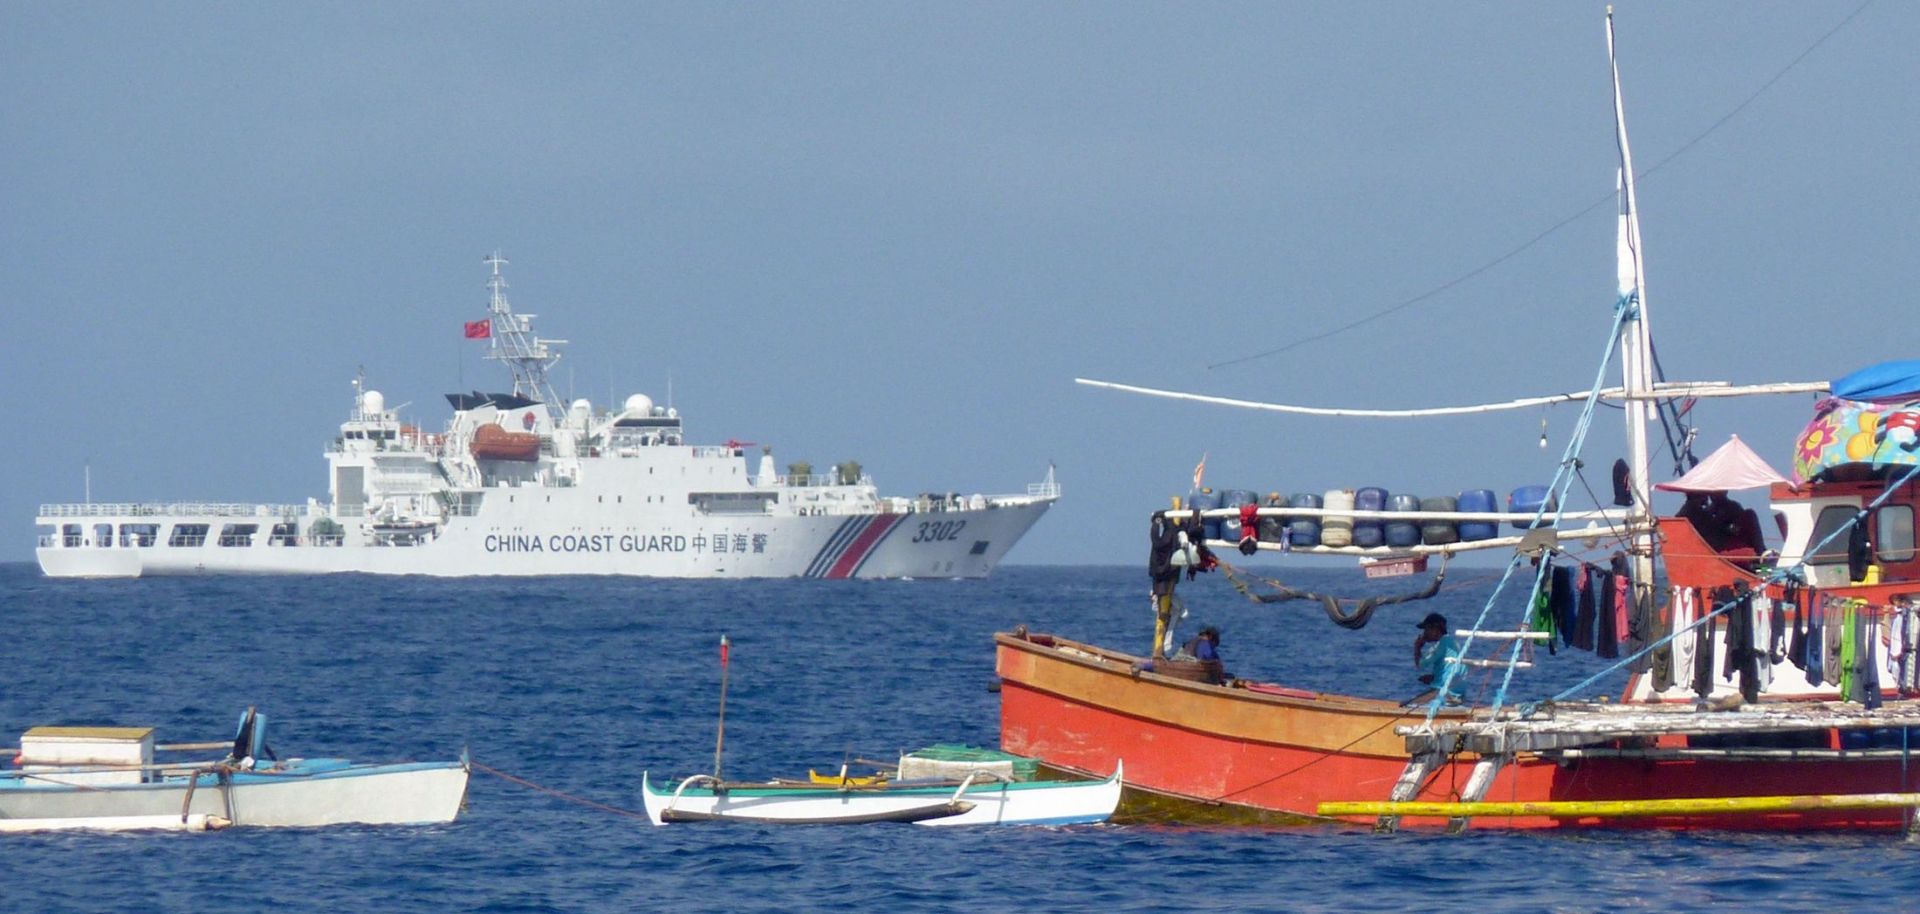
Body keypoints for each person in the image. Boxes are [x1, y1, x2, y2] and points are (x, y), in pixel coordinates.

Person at [1412, 612, 1462, 703]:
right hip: (1458, 692)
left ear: (1435, 629)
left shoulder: (1441, 645)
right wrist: (1434, 677)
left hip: (1446, 693)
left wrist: (1417, 647)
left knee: (1410, 704)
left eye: (1426, 629)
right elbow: (1450, 669)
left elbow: (1420, 664)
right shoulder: (1453, 643)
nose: (1424, 633)